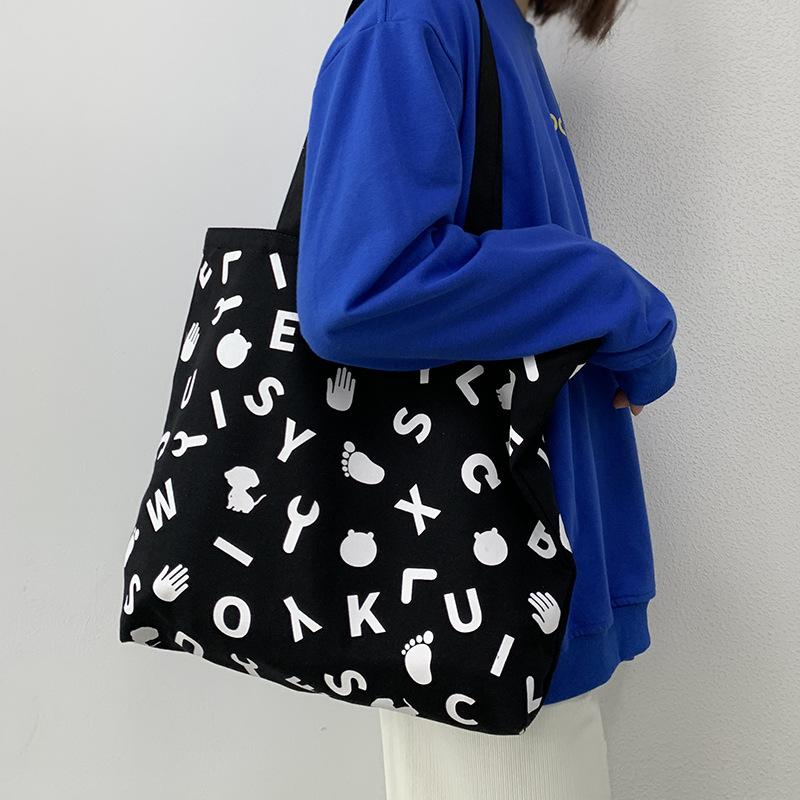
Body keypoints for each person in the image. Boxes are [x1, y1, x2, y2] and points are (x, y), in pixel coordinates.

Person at [297, 0, 677, 796]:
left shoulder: (493, 25)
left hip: (528, 575)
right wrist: (608, 291)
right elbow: (359, 291)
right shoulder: (415, 17)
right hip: (479, 596)